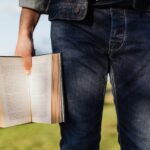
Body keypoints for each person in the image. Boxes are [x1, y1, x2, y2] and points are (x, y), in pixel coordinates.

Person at [15, 0, 150, 149]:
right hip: (73, 24)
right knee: (79, 140)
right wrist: (24, 32)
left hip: (141, 17)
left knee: (145, 139)